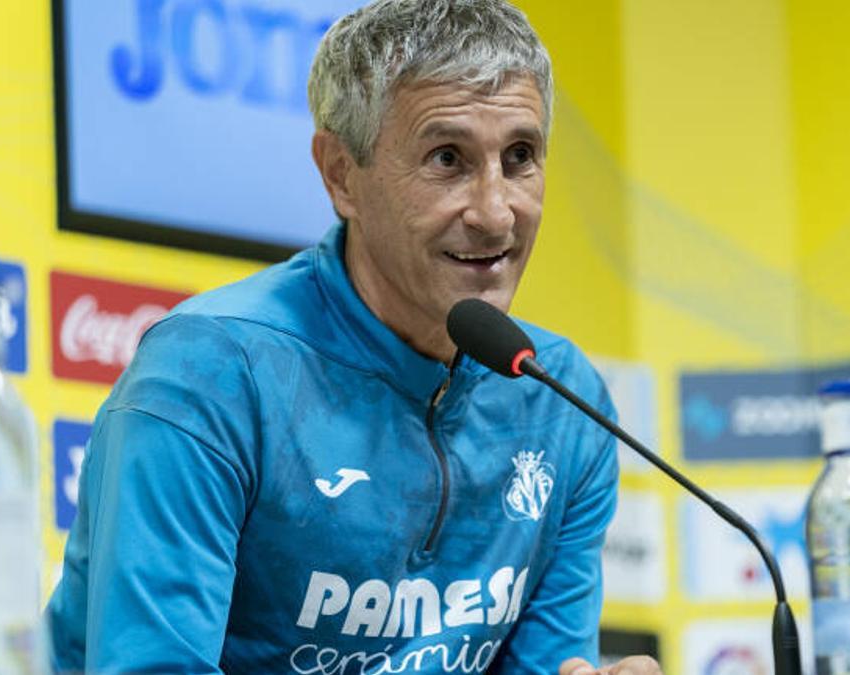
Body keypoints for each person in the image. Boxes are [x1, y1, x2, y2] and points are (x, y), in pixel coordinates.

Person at [47, 1, 662, 673]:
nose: (495, 212)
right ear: (341, 174)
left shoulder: (563, 403)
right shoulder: (210, 374)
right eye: (448, 158)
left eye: (520, 157)